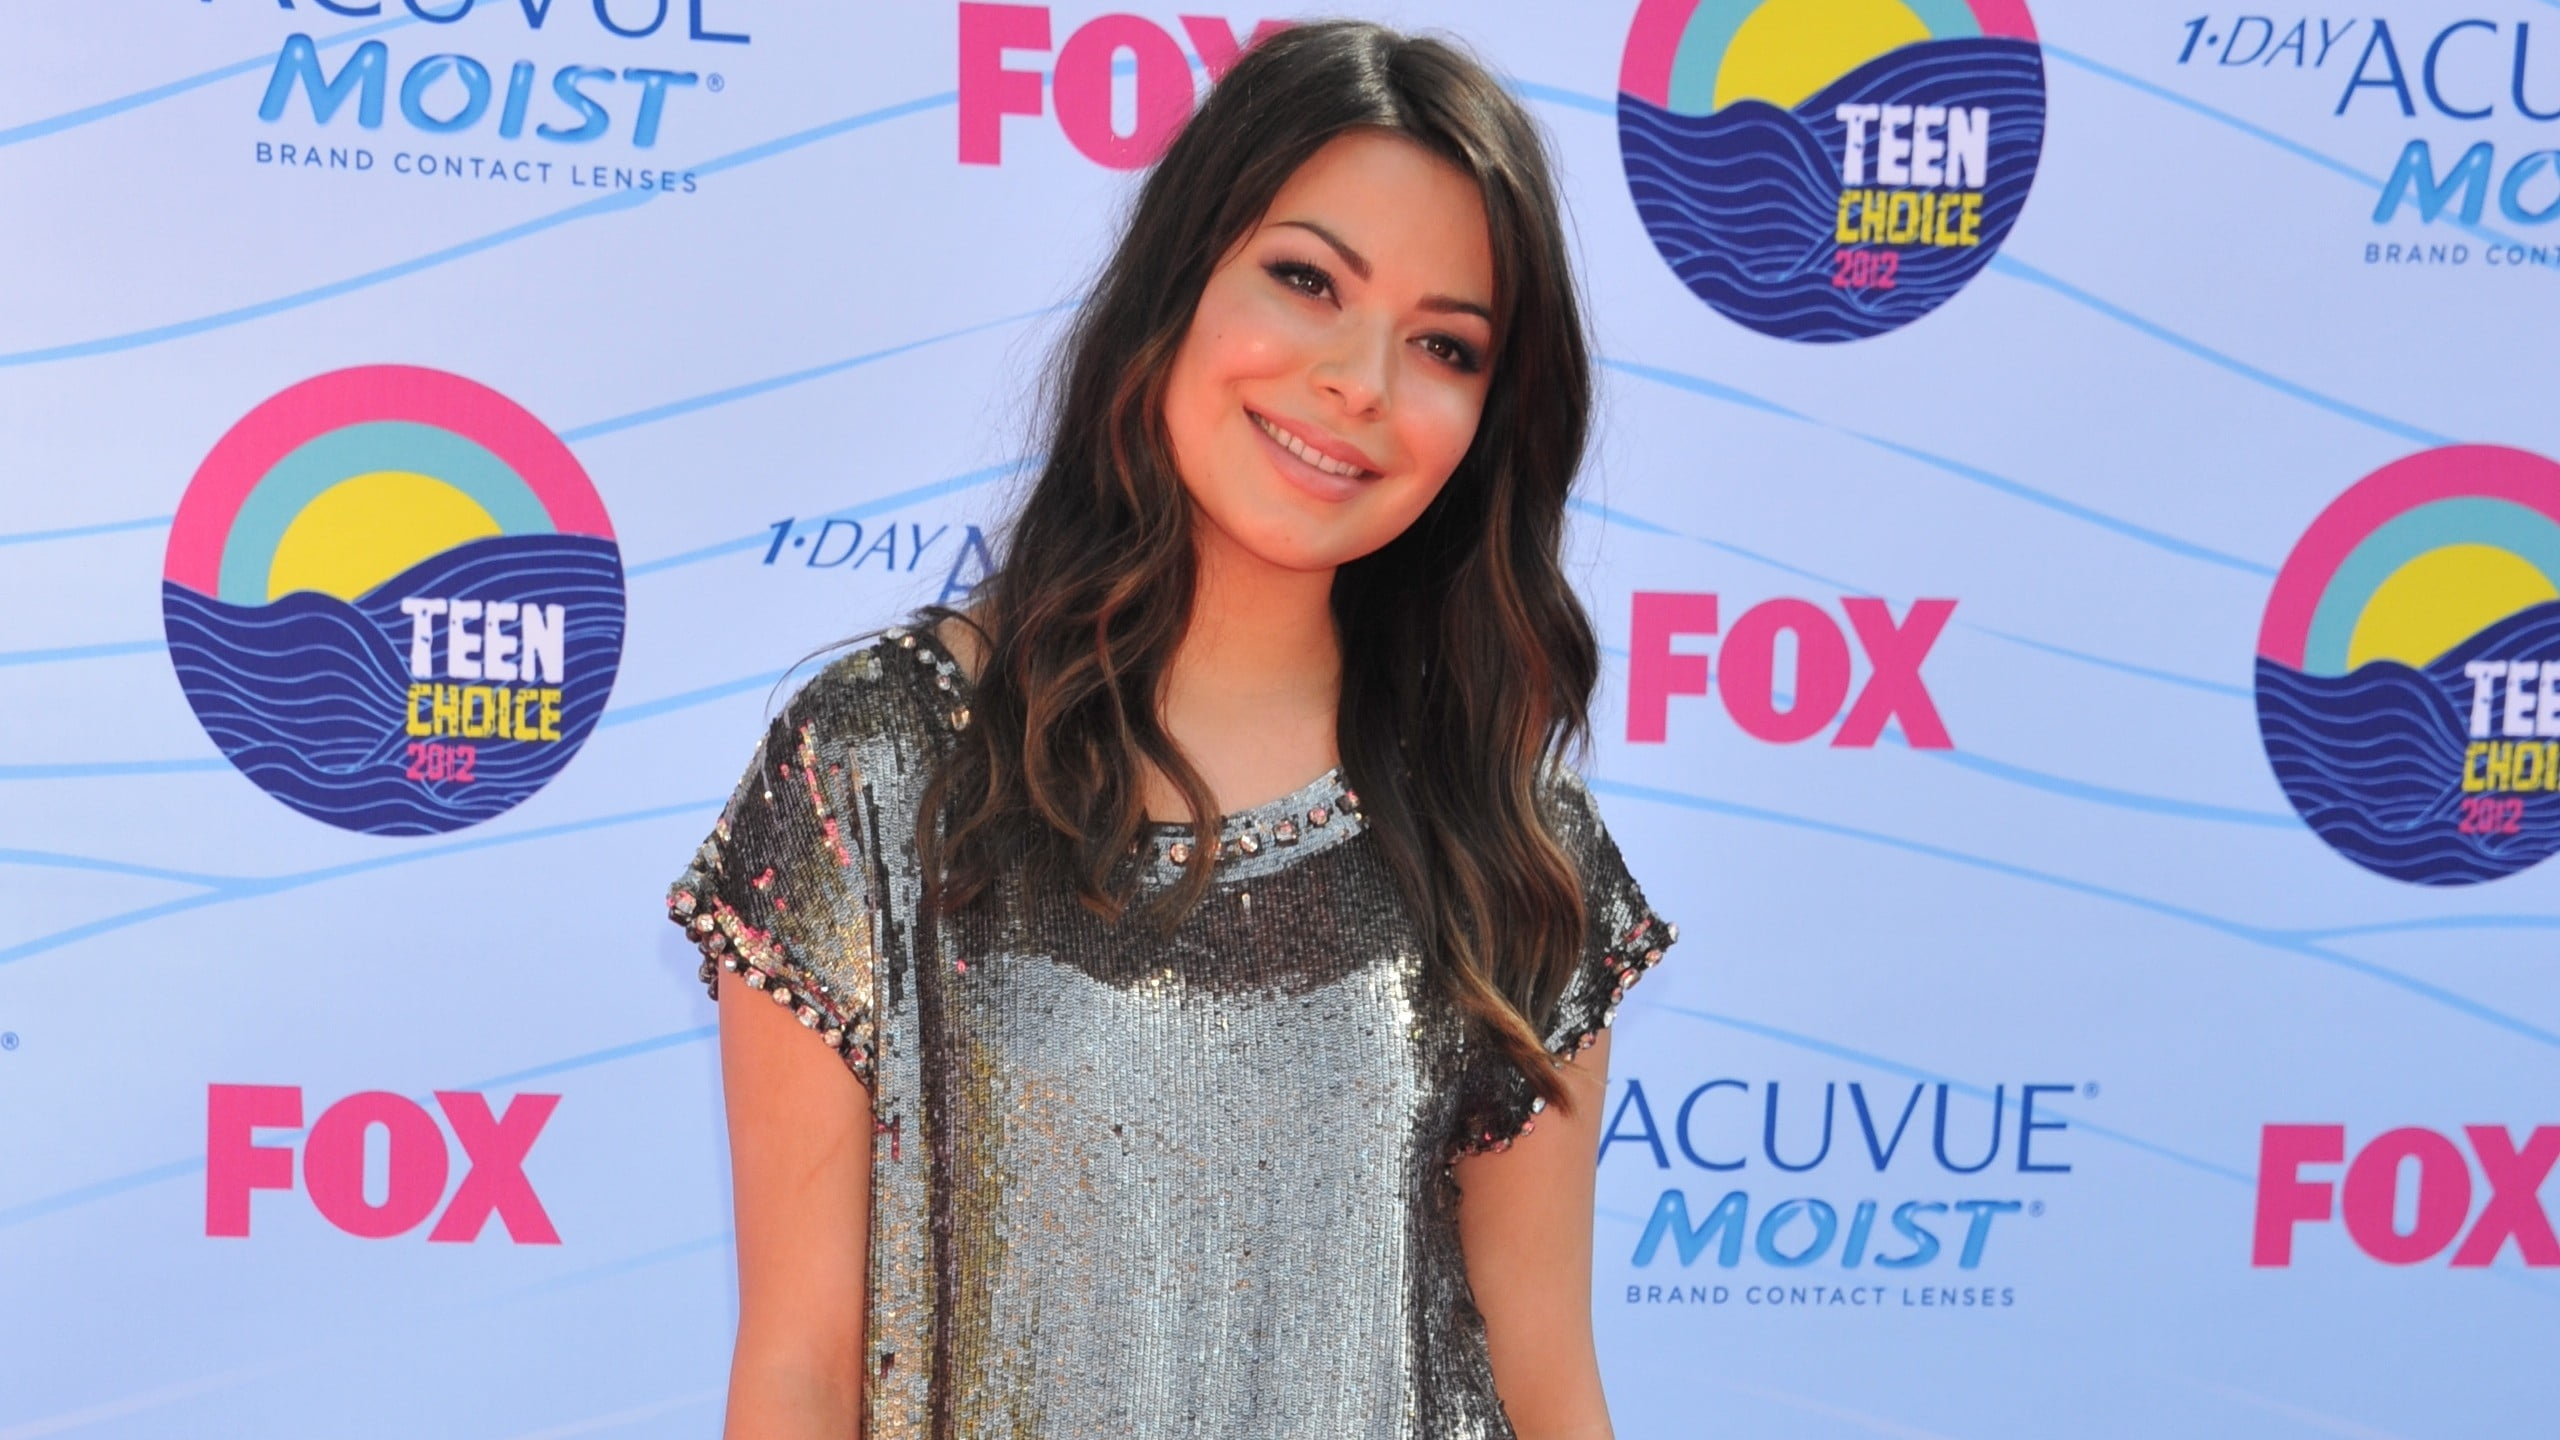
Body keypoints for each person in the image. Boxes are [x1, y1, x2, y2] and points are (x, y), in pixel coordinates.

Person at [667, 20, 1676, 1439]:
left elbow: (1547, 1384)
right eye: (1307, 278)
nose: (1361, 382)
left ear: (1488, 421)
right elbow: (799, 1370)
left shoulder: (1509, 840)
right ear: (1178, 280)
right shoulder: (883, 763)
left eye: (1444, 344)